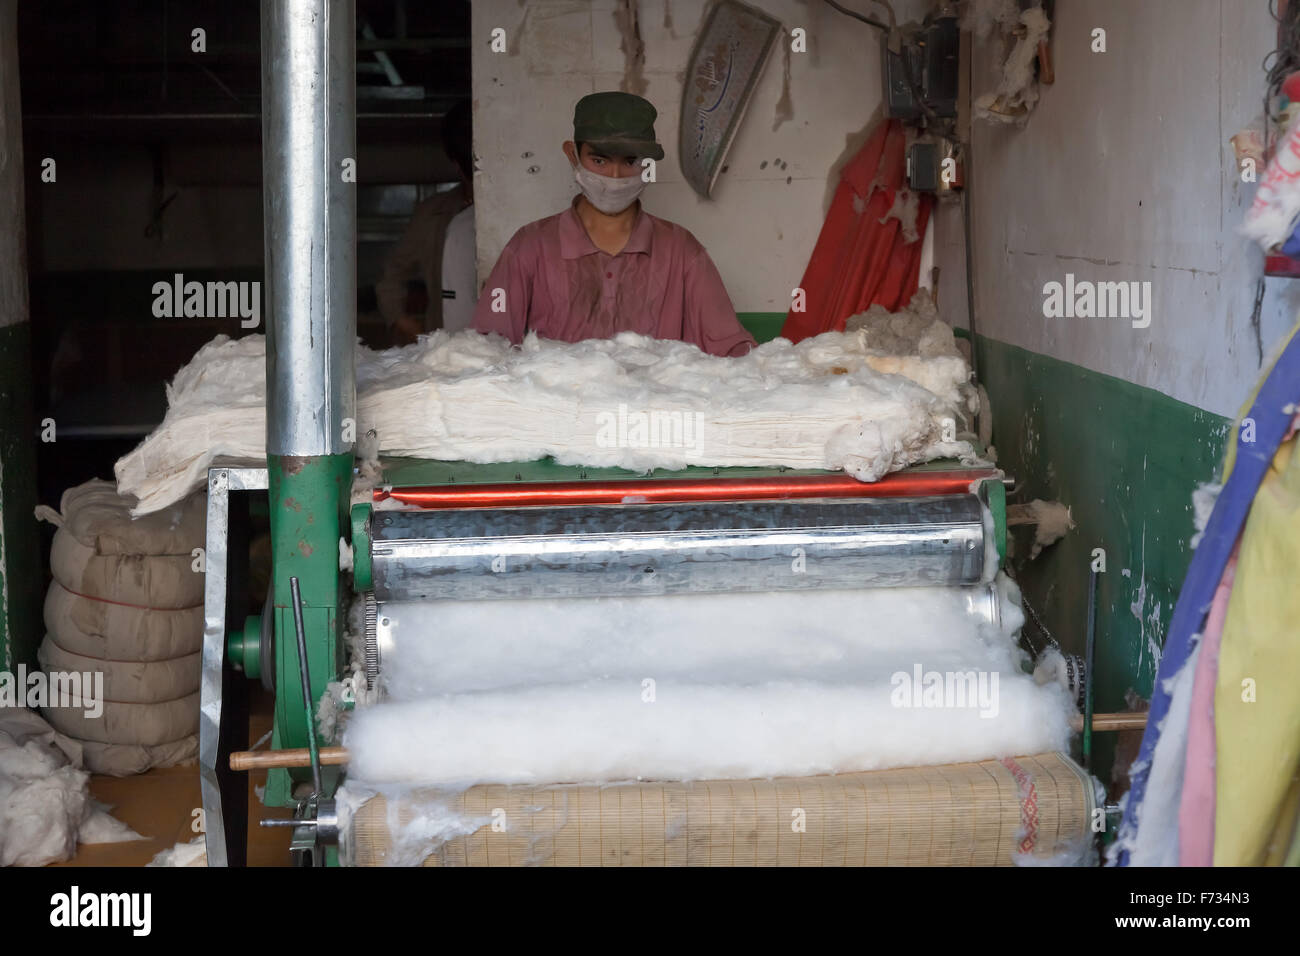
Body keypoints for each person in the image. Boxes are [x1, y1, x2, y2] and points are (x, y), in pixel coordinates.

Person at [471, 92, 755, 357]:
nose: (615, 176)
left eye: (630, 161)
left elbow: (731, 350)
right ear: (572, 154)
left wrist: (766, 367)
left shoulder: (682, 251)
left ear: (648, 164)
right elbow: (487, 348)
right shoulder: (529, 246)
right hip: (558, 397)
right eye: (599, 160)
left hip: (655, 397)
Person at [376, 100, 477, 340]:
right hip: (447, 348)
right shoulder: (432, 214)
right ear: (457, 164)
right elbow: (392, 274)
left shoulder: (523, 211)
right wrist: (398, 318)